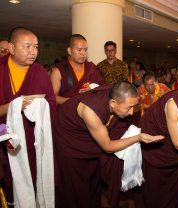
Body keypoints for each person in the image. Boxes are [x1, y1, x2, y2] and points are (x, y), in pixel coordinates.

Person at [53, 81, 164, 208]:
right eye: (129, 107)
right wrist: (138, 137)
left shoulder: (115, 93)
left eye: (134, 106)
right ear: (113, 103)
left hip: (92, 134)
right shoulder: (91, 112)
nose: (132, 112)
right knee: (77, 184)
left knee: (94, 179)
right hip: (70, 138)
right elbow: (108, 147)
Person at [0, 27, 56, 204]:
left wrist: (39, 107)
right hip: (4, 138)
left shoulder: (39, 72)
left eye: (36, 47)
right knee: (8, 181)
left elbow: (52, 104)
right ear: (11, 47)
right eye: (27, 46)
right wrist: (13, 107)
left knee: (32, 176)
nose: (33, 52)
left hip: (32, 138)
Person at [50, 34, 103, 105]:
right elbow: (52, 97)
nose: (83, 53)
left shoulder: (91, 68)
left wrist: (93, 88)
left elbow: (102, 87)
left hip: (89, 109)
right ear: (69, 51)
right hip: (67, 111)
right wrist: (73, 101)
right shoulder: (59, 71)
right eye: (79, 50)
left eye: (85, 49)